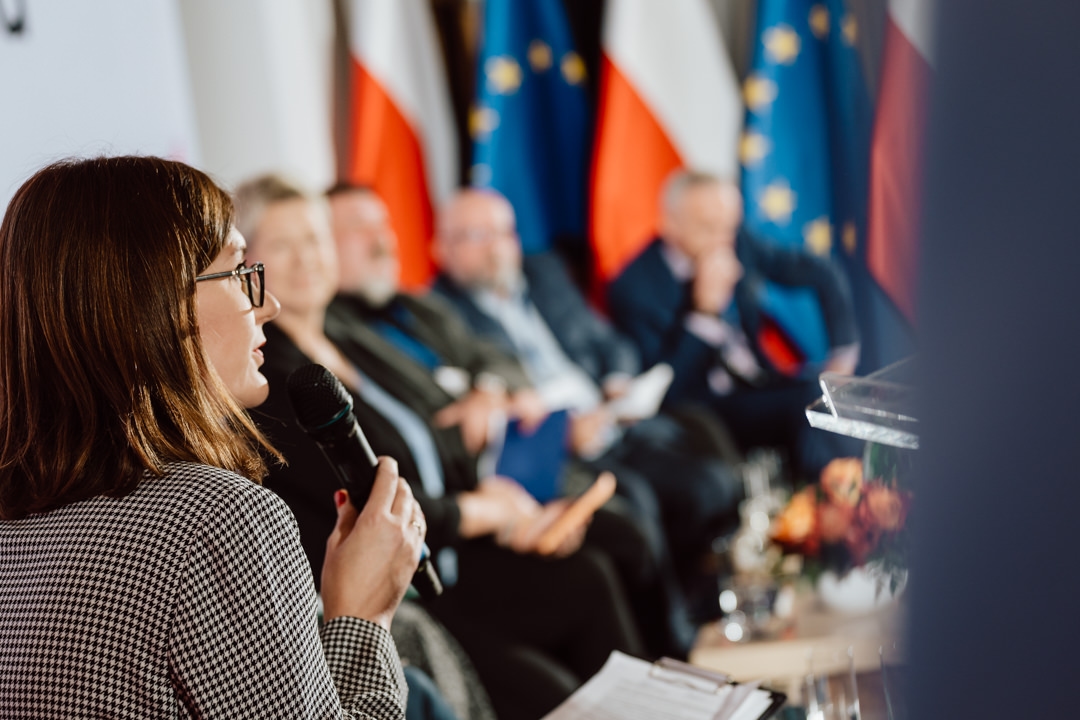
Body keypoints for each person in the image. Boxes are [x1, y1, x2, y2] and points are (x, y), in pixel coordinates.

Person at [0, 156, 420, 717]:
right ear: (155, 302)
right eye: (240, 271)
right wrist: (362, 617)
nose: (266, 305)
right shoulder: (217, 520)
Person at [235, 174, 645, 720]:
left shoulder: (352, 338)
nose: (307, 257)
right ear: (250, 267)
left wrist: (505, 492)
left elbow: (435, 429)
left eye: (314, 238)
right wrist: (485, 512)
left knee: (593, 571)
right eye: (283, 245)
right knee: (550, 688)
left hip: (450, 550)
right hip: (403, 589)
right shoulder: (278, 378)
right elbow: (371, 502)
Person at [430, 188, 745, 633]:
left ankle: (710, 606)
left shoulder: (544, 274)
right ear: (441, 249)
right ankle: (674, 638)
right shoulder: (440, 312)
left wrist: (616, 381)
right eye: (477, 235)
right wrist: (562, 428)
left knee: (711, 473)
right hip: (558, 446)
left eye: (504, 232)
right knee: (637, 501)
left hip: (615, 418)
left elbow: (609, 343)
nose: (497, 246)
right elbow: (481, 395)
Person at [607, 170, 862, 478]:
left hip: (760, 381)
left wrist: (842, 359)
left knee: (837, 393)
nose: (722, 241)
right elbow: (666, 392)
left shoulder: (736, 241)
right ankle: (832, 498)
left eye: (729, 227)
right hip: (707, 411)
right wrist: (704, 313)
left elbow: (823, 273)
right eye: (708, 228)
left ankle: (865, 491)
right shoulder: (636, 288)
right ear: (670, 224)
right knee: (809, 404)